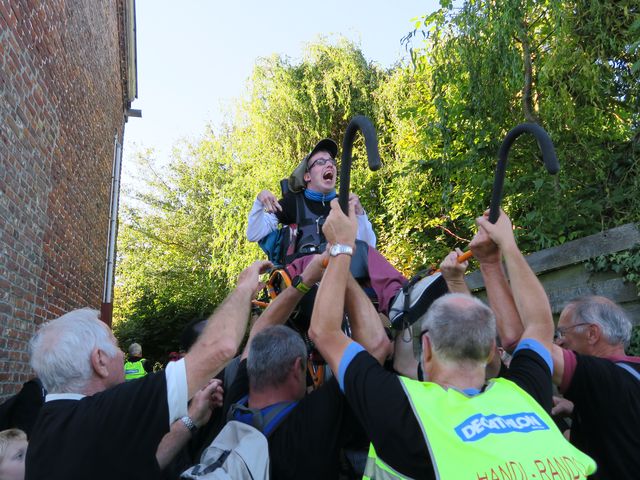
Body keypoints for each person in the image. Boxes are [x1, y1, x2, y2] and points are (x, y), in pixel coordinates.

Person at [309, 200, 596, 479]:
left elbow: (325, 333)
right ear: (488, 351)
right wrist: (502, 249)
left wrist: (341, 246)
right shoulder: (524, 397)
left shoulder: (405, 409)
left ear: (427, 347)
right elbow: (540, 324)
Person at [25, 260, 271, 480]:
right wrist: (245, 287)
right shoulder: (103, 413)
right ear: (99, 361)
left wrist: (193, 418)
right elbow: (221, 347)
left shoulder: (47, 426)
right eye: (115, 343)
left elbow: (146, 462)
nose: (121, 354)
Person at [224, 253, 389, 479]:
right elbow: (377, 347)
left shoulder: (237, 407)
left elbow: (259, 331)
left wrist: (306, 279)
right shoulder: (310, 423)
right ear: (297, 367)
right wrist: (342, 268)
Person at [247, 138, 406, 317]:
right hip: (305, 272)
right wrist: (260, 199)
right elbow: (254, 233)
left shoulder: (343, 203)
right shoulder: (293, 203)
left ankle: (399, 299)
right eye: (320, 162)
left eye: (331, 162)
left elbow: (367, 248)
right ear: (307, 176)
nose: (329, 165)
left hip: (340, 268)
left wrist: (359, 214)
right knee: (323, 257)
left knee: (361, 251)